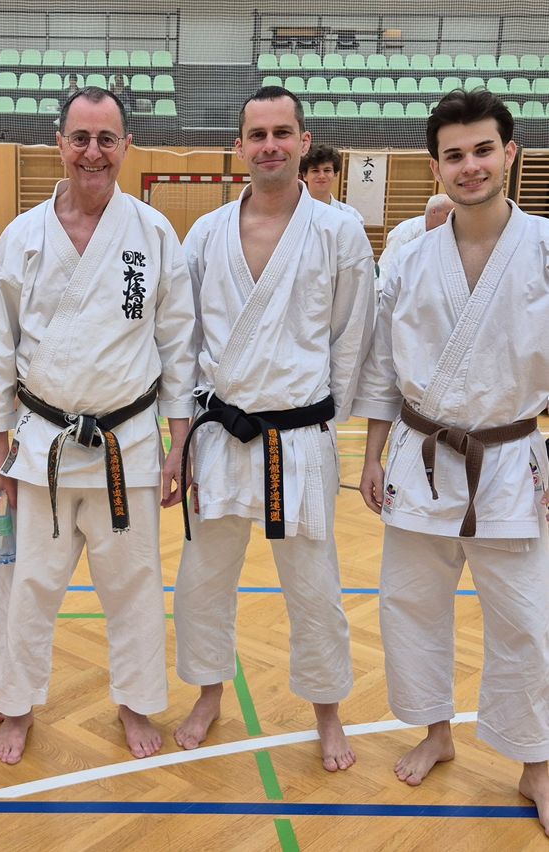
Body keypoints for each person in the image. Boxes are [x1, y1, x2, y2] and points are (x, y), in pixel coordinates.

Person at [0, 86, 196, 765]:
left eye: (106, 139)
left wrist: (179, 446)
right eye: (81, 138)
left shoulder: (152, 233)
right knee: (29, 587)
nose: (93, 152)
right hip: (44, 448)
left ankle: (135, 702)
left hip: (129, 445)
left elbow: (178, 346)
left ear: (126, 146)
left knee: (133, 586)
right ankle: (16, 706)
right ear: (59, 144)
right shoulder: (22, 236)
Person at [354, 88, 549, 836]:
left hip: (510, 458)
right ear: (435, 167)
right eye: (455, 155)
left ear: (510, 153)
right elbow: (381, 367)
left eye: (483, 150)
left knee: (527, 620)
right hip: (420, 456)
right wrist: (372, 456)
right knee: (411, 607)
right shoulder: (408, 258)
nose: (471, 166)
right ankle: (435, 731)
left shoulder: (542, 248)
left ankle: (535, 762)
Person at [172, 86, 375, 771]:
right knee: (202, 580)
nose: (269, 145)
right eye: (257, 134)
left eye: (281, 132)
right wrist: (182, 438)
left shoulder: (339, 233)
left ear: (302, 140)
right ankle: (208, 693)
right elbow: (184, 343)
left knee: (315, 588)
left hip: (299, 436)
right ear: (239, 146)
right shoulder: (205, 234)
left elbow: (351, 340)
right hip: (219, 433)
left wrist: (322, 423)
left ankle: (327, 712)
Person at [376, 194, 454, 291]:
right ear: (434, 211)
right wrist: (383, 294)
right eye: (448, 214)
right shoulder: (406, 231)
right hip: (397, 288)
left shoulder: (447, 233)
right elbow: (388, 265)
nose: (450, 219)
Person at [299, 143, 364, 224]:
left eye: (327, 170)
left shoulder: (352, 216)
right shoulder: (292, 213)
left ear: (335, 174)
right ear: (304, 175)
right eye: (315, 171)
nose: (321, 176)